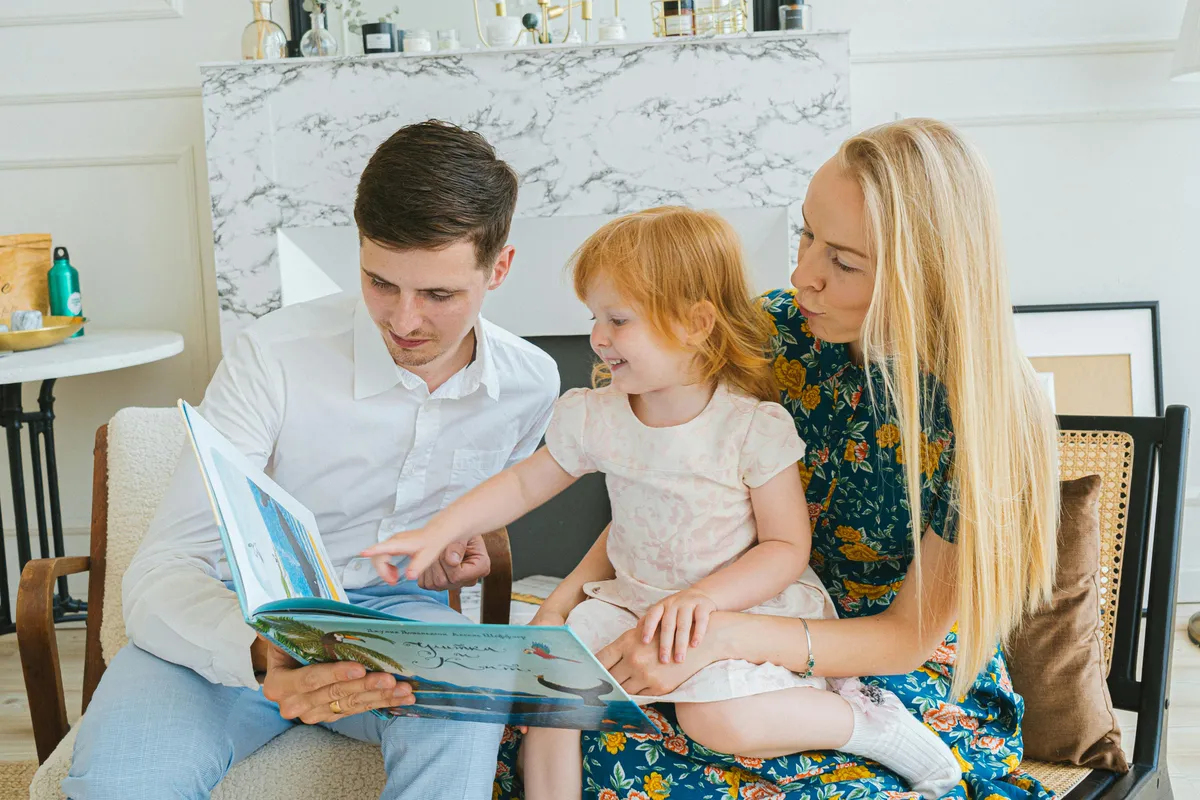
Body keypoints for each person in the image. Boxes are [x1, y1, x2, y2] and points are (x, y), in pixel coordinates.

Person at [495, 119, 1059, 799]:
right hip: (726, 606)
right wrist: (563, 605)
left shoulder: (982, 410)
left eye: (842, 262)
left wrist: (727, 637)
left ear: (925, 275)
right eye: (806, 237)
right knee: (552, 726)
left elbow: (906, 636)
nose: (802, 276)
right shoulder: (778, 333)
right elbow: (665, 485)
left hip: (882, 668)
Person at [365, 206, 964, 800]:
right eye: (595, 316)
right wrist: (437, 532)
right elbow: (524, 484)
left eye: (618, 320)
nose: (597, 337)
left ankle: (868, 723)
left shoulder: (752, 428)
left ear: (696, 323)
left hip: (739, 611)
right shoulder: (596, 415)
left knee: (717, 721)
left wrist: (706, 602)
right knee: (551, 699)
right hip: (633, 602)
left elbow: (785, 546)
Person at [62, 120, 560, 800]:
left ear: (498, 269)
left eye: (438, 295)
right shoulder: (275, 355)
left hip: (398, 627)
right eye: (380, 283)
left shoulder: (531, 384)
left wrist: (452, 552)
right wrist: (262, 653)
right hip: (243, 618)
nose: (404, 320)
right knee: (119, 786)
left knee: (465, 722)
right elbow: (164, 567)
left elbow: (468, 519)